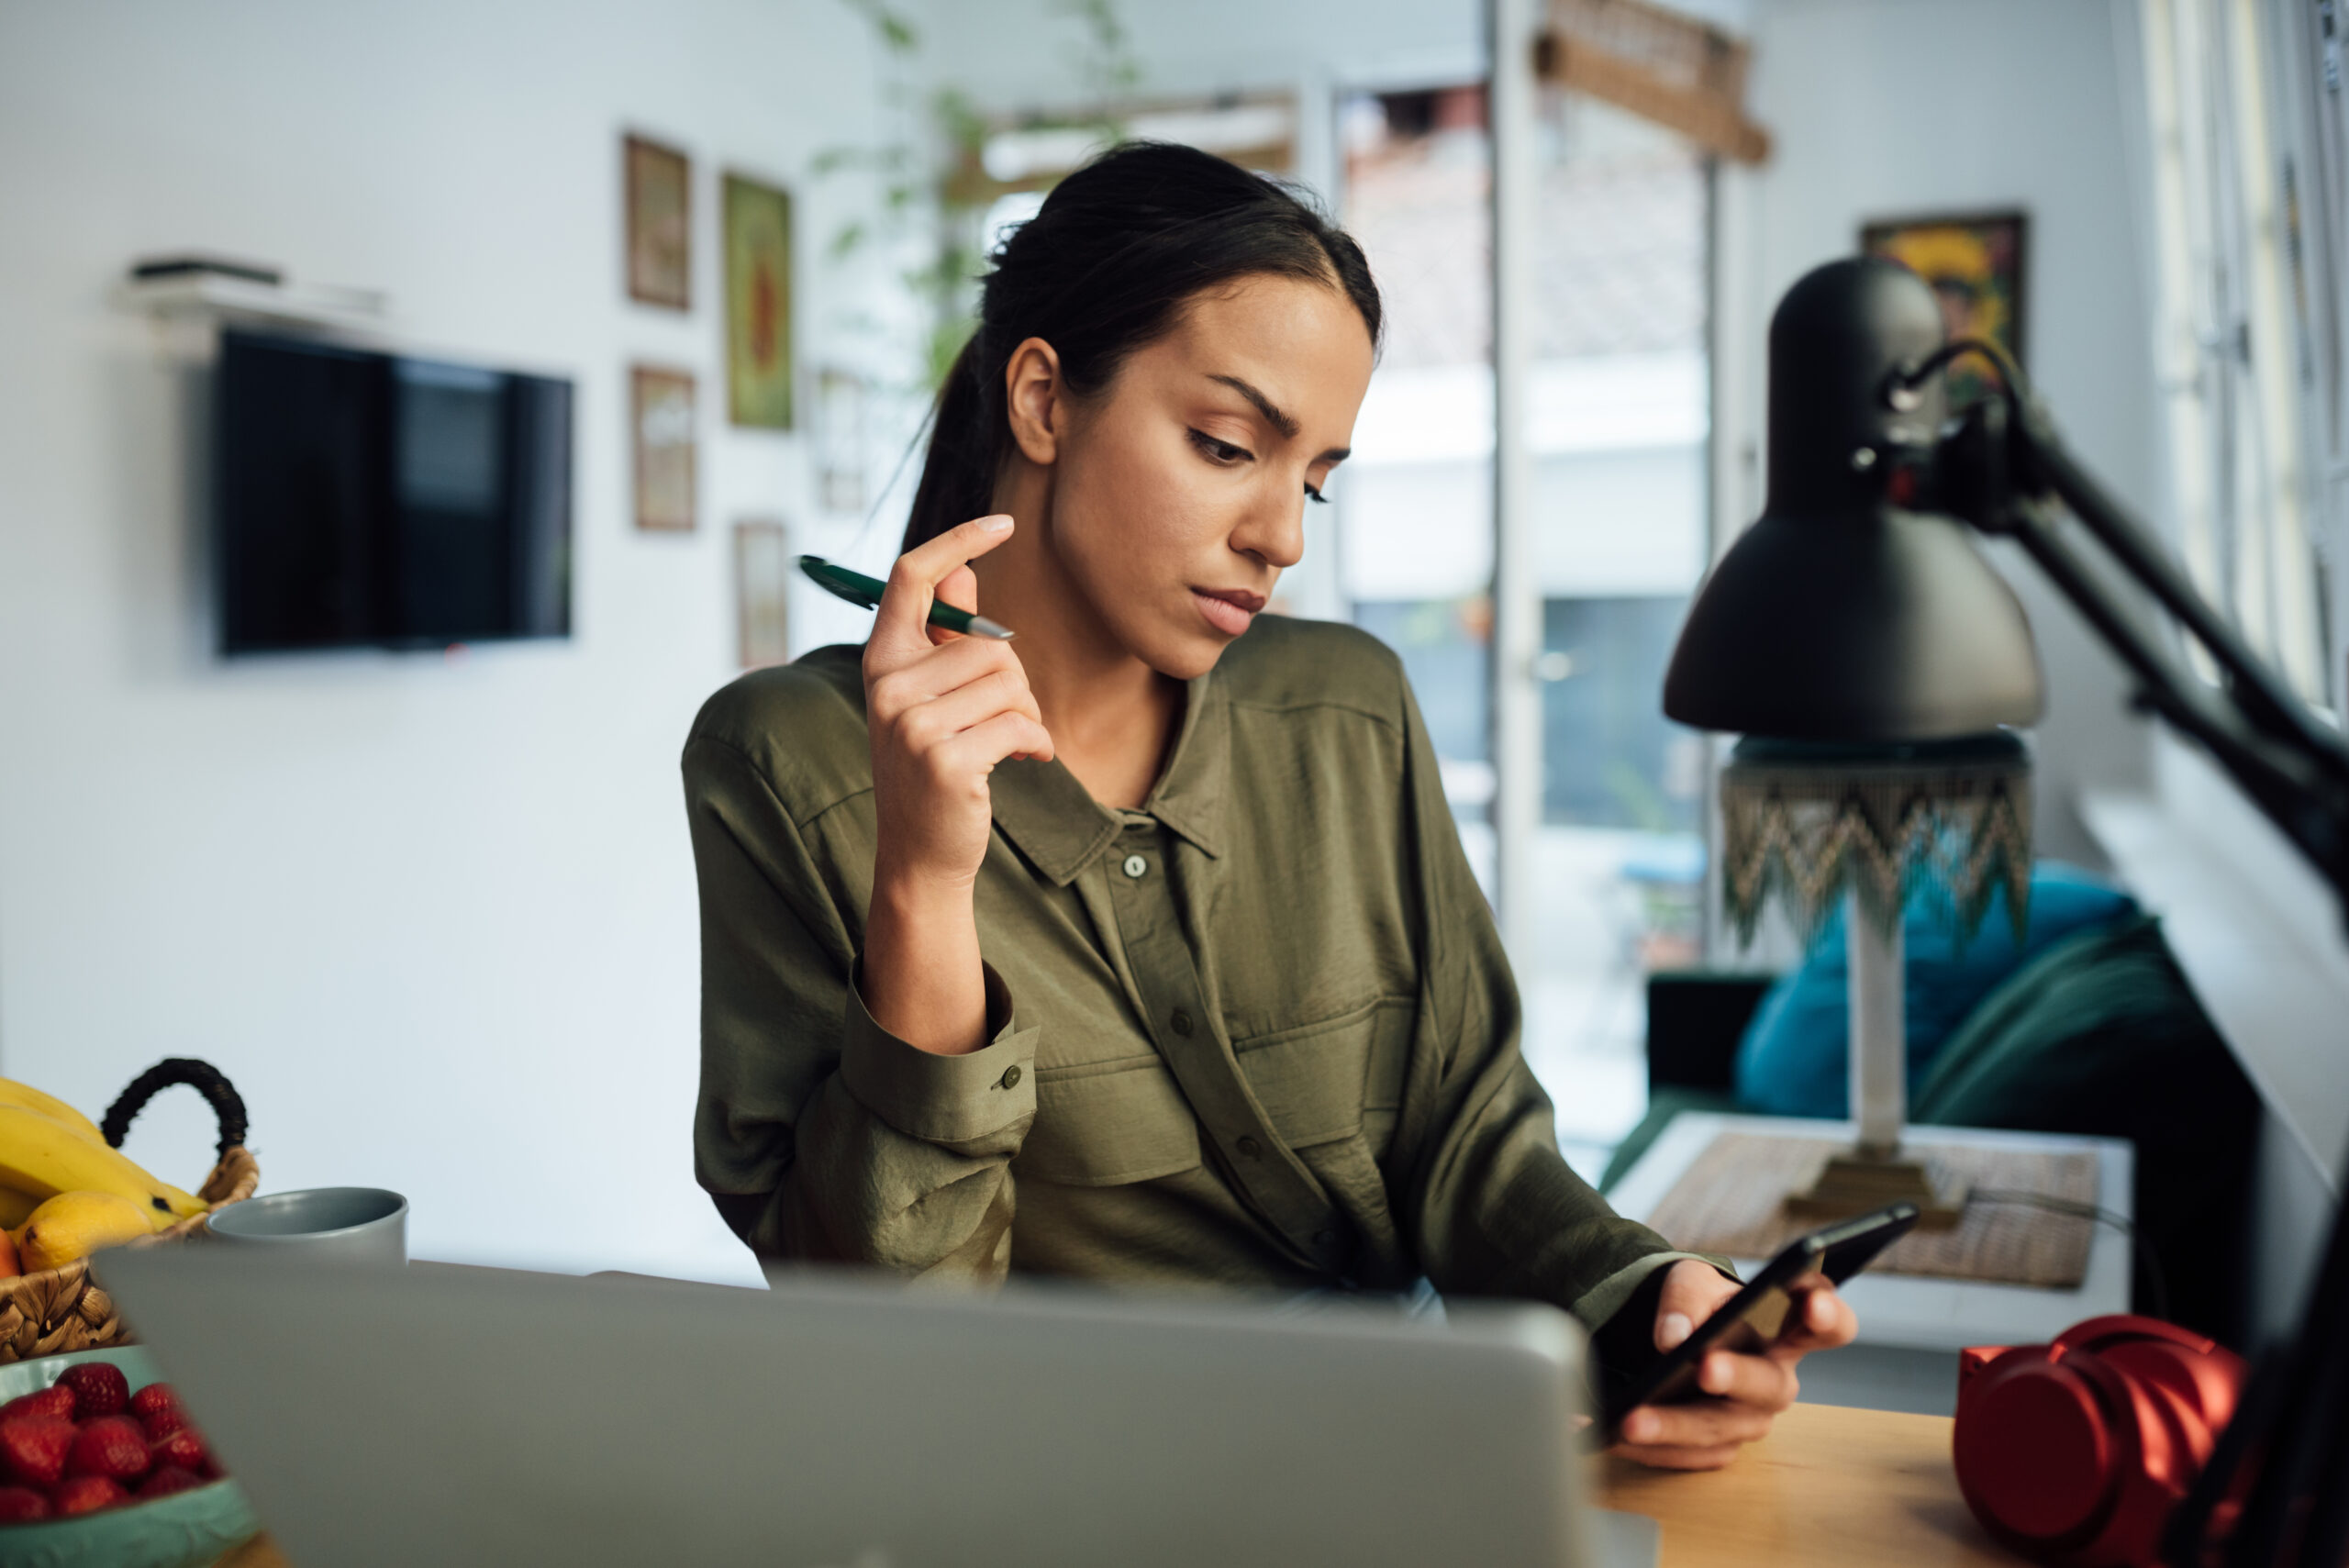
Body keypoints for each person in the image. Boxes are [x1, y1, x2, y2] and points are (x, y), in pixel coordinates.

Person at [684, 140, 1855, 1470]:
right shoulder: (787, 762)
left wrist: (1645, 1297)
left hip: (1432, 1456)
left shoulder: (1349, 708)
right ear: (1044, 399)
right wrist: (924, 886)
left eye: (1312, 478)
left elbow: (1467, 1135)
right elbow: (897, 1328)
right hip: (1070, 1498)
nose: (1283, 537)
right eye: (1229, 445)